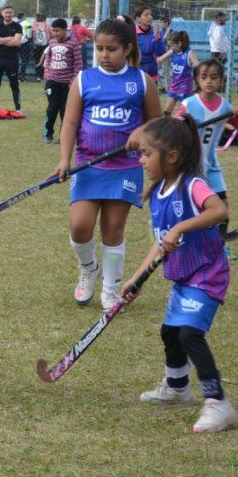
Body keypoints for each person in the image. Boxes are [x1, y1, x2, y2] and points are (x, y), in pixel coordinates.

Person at [123, 116, 235, 433]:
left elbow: (219, 211)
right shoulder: (159, 192)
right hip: (184, 277)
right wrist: (135, 279)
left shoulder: (192, 184)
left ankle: (218, 403)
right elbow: (159, 245)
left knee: (189, 334)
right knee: (170, 333)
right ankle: (177, 388)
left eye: (147, 154)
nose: (141, 160)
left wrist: (182, 226)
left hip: (207, 273)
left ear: (171, 156)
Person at [55, 19, 162, 311]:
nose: (104, 54)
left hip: (125, 168)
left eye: (111, 49)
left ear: (127, 49)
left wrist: (142, 136)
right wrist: (65, 158)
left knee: (113, 230)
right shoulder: (83, 79)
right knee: (79, 226)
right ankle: (89, 268)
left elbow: (156, 125)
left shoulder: (142, 81)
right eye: (100, 48)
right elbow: (71, 122)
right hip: (88, 166)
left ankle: (112, 288)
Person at [177, 60, 235, 260]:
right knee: (193, 209)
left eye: (214, 77)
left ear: (221, 81)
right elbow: (174, 129)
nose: (209, 81)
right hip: (191, 166)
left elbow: (230, 125)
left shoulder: (225, 105)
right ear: (197, 80)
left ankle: (219, 245)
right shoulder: (189, 104)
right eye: (204, 77)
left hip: (212, 165)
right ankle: (186, 243)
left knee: (222, 207)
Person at [42, 18, 82, 144]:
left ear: (65, 30)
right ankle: (48, 133)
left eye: (58, 30)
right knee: (52, 108)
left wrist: (73, 81)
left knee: (65, 110)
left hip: (67, 83)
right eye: (53, 30)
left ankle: (63, 136)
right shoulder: (52, 43)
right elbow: (48, 59)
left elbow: (78, 64)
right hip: (52, 81)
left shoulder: (74, 44)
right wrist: (47, 74)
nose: (55, 33)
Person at [157, 31, 198, 117]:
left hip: (185, 87)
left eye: (172, 45)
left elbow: (198, 67)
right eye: (169, 46)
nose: (170, 48)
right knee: (167, 111)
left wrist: (196, 82)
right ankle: (168, 128)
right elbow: (160, 60)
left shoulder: (189, 53)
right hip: (174, 85)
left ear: (179, 43)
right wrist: (157, 58)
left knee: (185, 113)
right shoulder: (172, 51)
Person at [0, 6, 22, 111]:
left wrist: (1, 40)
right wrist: (9, 38)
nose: (8, 15)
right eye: (6, 13)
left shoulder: (17, 27)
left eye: (10, 13)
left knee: (14, 84)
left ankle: (18, 108)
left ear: (13, 14)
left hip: (12, 60)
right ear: (2, 14)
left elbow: (17, 42)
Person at [134, 5, 165, 83]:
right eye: (146, 15)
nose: (150, 17)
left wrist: (157, 38)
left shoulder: (156, 32)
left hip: (152, 73)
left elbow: (161, 53)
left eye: (150, 15)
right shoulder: (133, 33)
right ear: (138, 19)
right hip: (137, 73)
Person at [31, 13, 49, 80]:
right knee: (45, 60)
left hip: (36, 45)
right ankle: (44, 75)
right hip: (45, 45)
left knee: (37, 60)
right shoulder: (47, 26)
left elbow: (32, 35)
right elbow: (49, 36)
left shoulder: (34, 25)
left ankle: (38, 75)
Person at [17, 12, 32, 79]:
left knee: (16, 59)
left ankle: (15, 74)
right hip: (25, 43)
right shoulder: (27, 24)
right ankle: (22, 75)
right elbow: (29, 36)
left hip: (17, 43)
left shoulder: (16, 24)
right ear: (23, 16)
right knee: (25, 60)